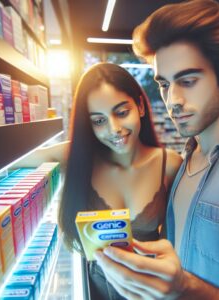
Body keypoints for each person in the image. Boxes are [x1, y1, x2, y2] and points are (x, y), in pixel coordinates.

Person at [93, 1, 219, 299]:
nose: (172, 100)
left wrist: (185, 289)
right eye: (164, 84)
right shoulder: (185, 159)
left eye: (188, 81)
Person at [57, 62, 182, 299]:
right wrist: (74, 149)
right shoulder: (84, 164)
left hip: (151, 290)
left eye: (122, 112)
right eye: (99, 121)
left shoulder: (170, 165)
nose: (114, 129)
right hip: (97, 289)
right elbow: (13, 160)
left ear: (141, 107)